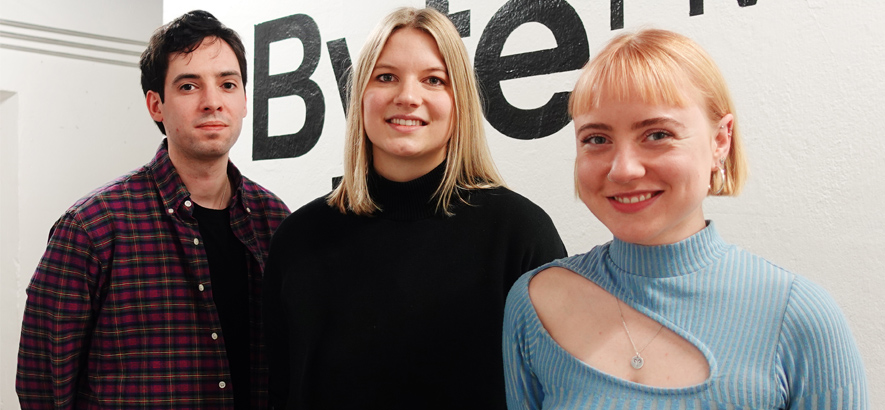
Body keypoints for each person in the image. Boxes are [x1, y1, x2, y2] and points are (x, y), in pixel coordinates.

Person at [503, 29, 868, 409]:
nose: (623, 169)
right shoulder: (533, 303)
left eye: (657, 134)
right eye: (596, 139)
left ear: (720, 141)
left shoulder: (799, 316)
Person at [263, 7, 566, 410]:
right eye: (386, 77)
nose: (407, 97)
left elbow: (559, 391)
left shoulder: (520, 235)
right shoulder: (297, 239)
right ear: (361, 97)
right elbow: (279, 391)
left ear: (459, 101)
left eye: (433, 80)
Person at [16, 10, 289, 409]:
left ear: (245, 100)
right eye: (189, 86)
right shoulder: (91, 228)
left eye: (227, 84)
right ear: (156, 105)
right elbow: (42, 386)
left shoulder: (275, 221)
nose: (213, 102)